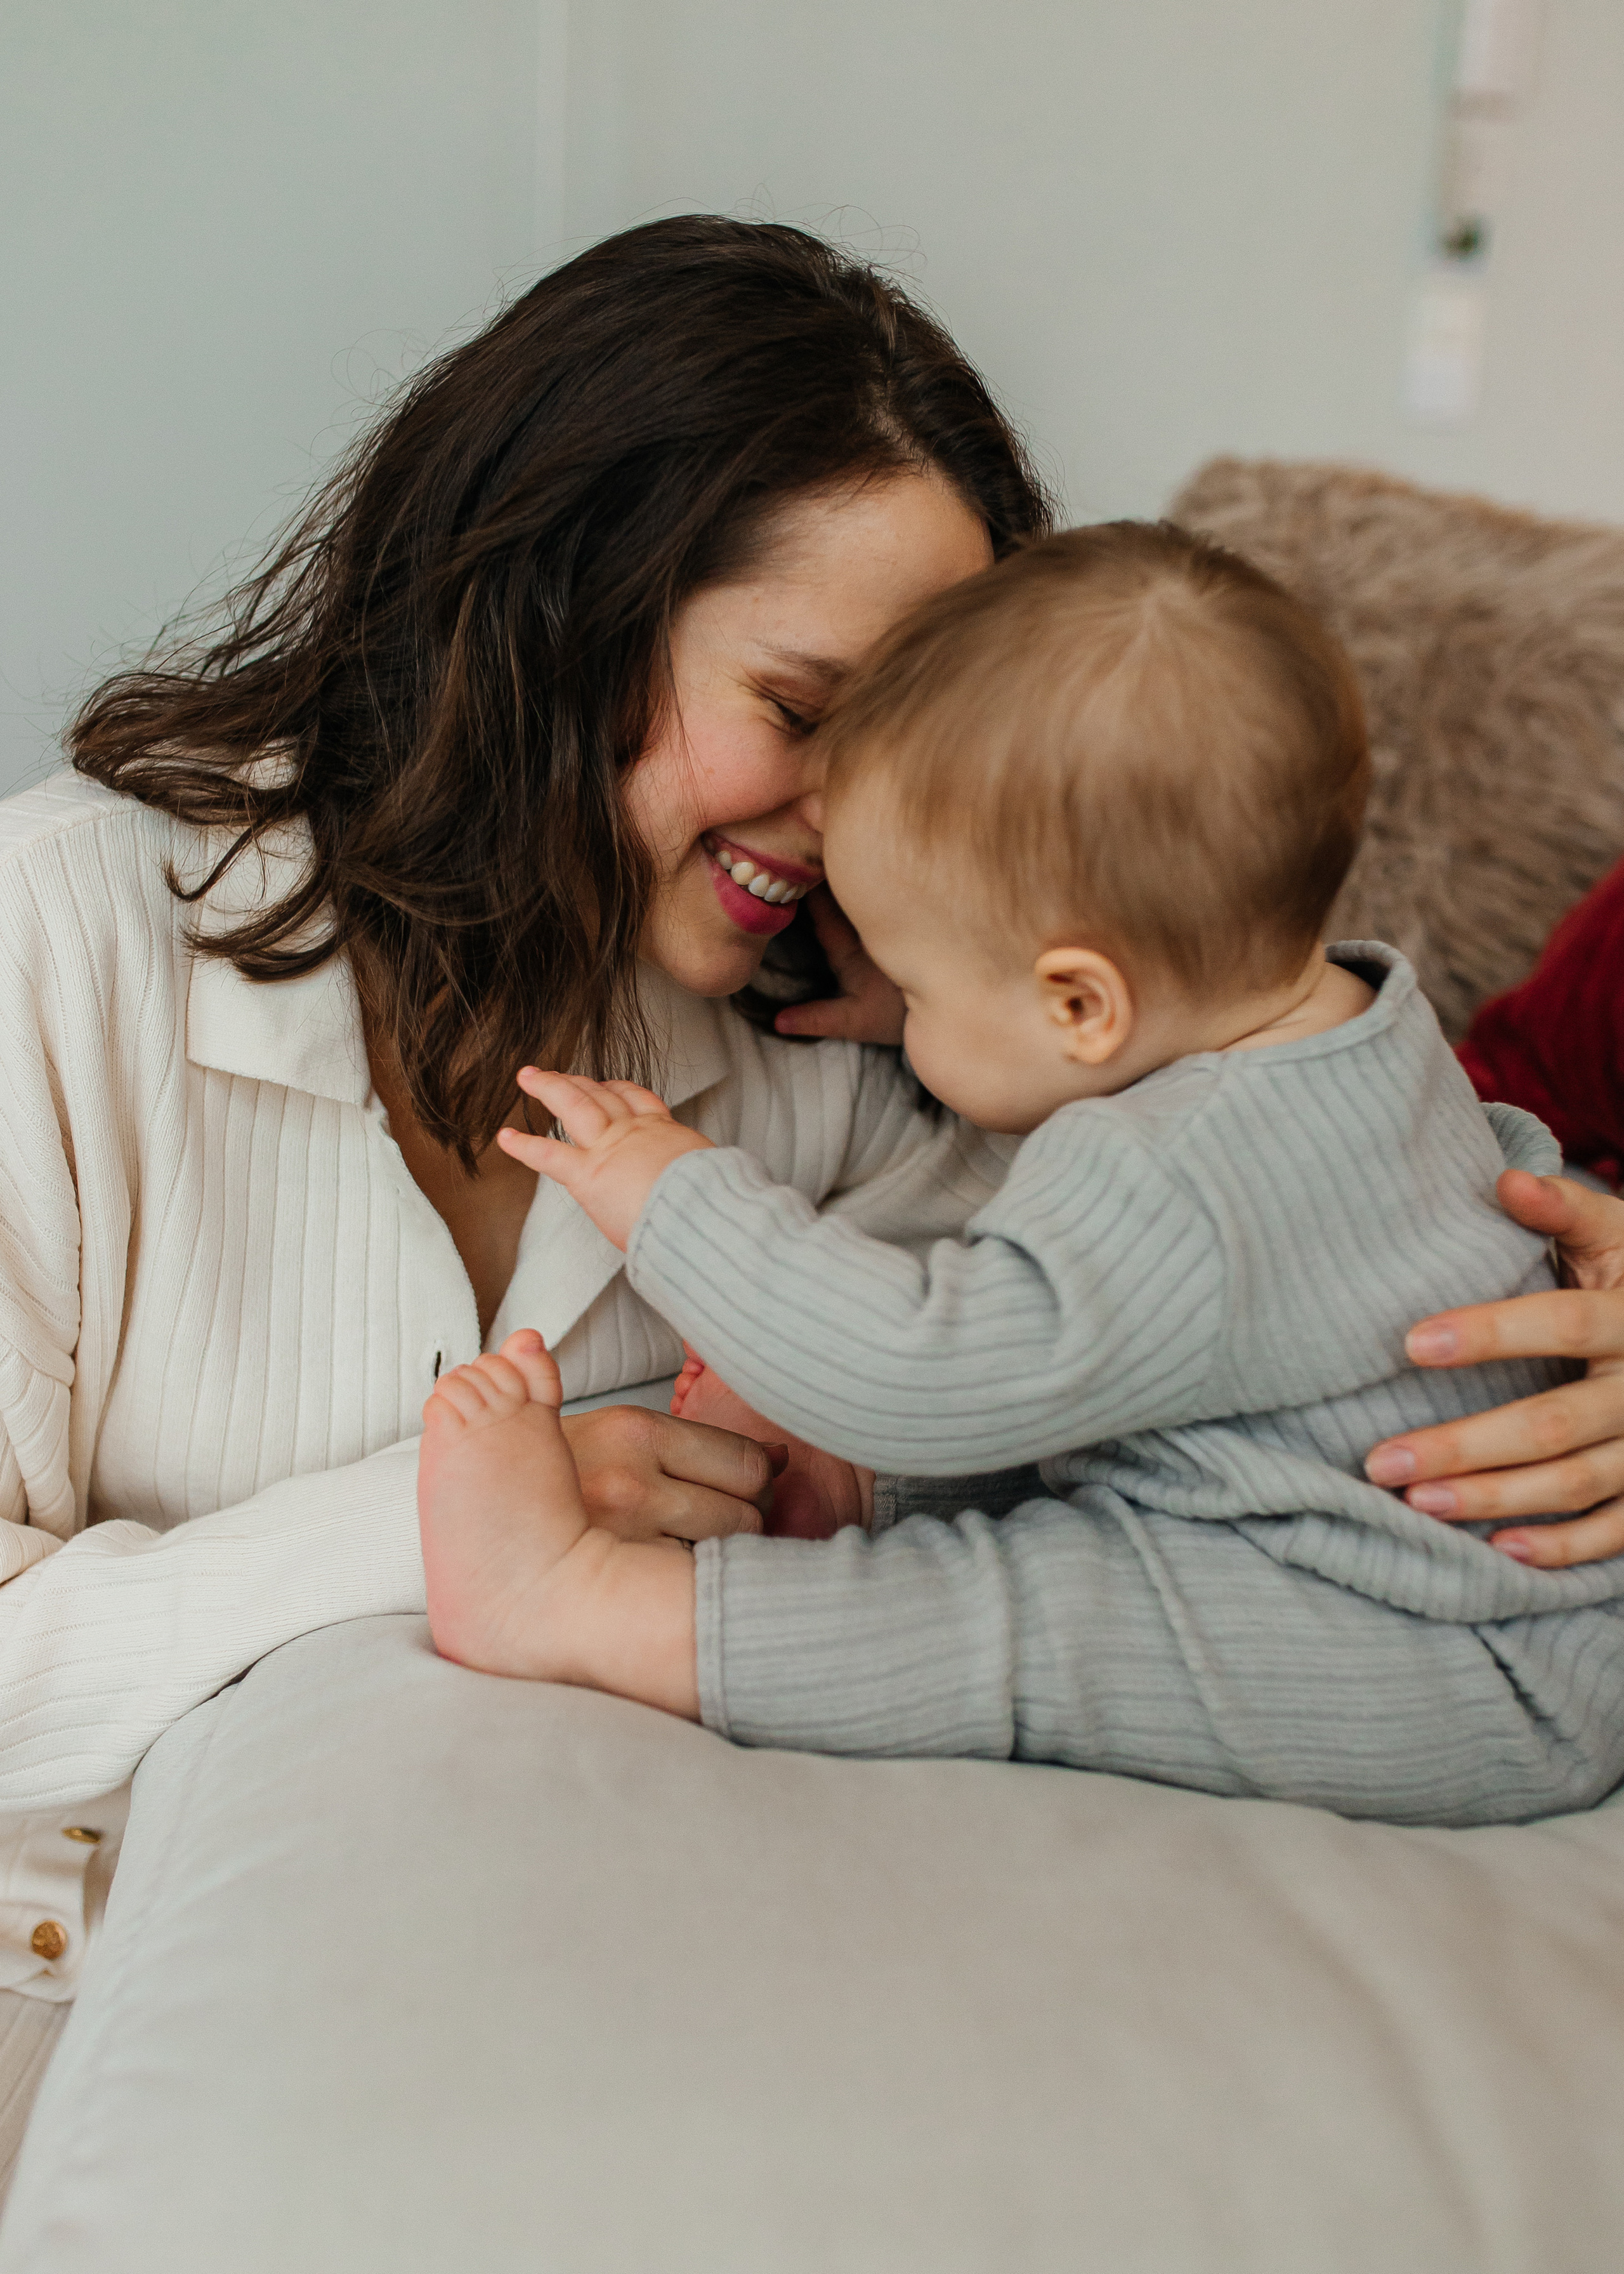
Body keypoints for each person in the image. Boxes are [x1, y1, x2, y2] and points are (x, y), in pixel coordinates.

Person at [0, 216, 1620, 2025]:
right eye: (795, 709)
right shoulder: (58, 946)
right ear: (556, 617)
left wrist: (1555, 1301)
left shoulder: (877, 1033)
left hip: (567, 2013)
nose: (848, 826)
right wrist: (456, 1522)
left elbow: (1230, 1322)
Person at [416, 523, 1624, 1829]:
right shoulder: (1366, 1038)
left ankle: (584, 1606)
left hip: (1452, 1653)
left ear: (1080, 1007)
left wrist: (674, 1195)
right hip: (1381, 1544)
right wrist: (969, 1012)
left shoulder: (1173, 1180)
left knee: (1042, 1617)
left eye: (919, 983)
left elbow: (916, 1370)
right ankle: (848, 1499)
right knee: (1092, 1450)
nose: (900, 1009)